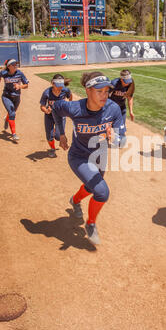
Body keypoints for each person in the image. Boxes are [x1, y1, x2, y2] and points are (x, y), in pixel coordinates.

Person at [52, 71, 125, 246]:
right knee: (101, 192)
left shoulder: (113, 109)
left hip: (100, 156)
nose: (104, 95)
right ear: (88, 90)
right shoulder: (74, 108)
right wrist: (61, 134)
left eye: (107, 91)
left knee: (93, 187)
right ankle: (91, 223)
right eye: (99, 91)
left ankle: (75, 200)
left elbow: (122, 140)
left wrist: (115, 138)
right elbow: (56, 109)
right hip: (79, 156)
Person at [40, 74, 73, 157]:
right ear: (52, 83)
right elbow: (42, 106)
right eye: (58, 86)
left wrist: (69, 105)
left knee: (58, 137)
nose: (59, 88)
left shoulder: (65, 90)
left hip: (61, 116)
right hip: (49, 116)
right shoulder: (47, 92)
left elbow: (70, 96)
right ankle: (52, 149)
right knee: (49, 136)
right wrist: (46, 111)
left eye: (61, 86)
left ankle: (55, 132)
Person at [0, 59, 29, 142]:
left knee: (12, 112)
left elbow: (26, 85)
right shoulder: (4, 73)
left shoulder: (20, 73)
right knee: (12, 113)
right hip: (6, 96)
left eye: (16, 64)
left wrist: (20, 86)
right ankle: (14, 134)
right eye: (13, 64)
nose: (16, 66)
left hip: (17, 97)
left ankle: (6, 119)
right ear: (9, 66)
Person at [109, 69, 135, 146]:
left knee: (121, 125)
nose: (127, 84)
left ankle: (120, 138)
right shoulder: (113, 84)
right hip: (112, 107)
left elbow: (130, 98)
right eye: (125, 81)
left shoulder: (130, 84)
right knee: (112, 124)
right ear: (121, 79)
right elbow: (106, 97)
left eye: (128, 81)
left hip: (121, 107)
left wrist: (131, 111)